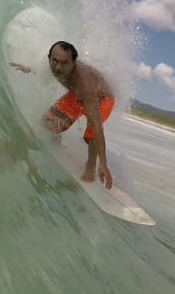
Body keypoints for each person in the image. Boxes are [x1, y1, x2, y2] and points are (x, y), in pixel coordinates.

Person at [10, 41, 115, 189]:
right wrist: (27, 69)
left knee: (91, 131)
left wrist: (103, 164)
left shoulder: (84, 84)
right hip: (77, 96)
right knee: (48, 123)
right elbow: (42, 70)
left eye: (65, 63)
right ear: (50, 59)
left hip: (102, 99)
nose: (58, 67)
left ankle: (91, 169)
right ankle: (57, 143)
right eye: (55, 61)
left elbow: (98, 127)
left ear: (73, 63)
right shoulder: (56, 64)